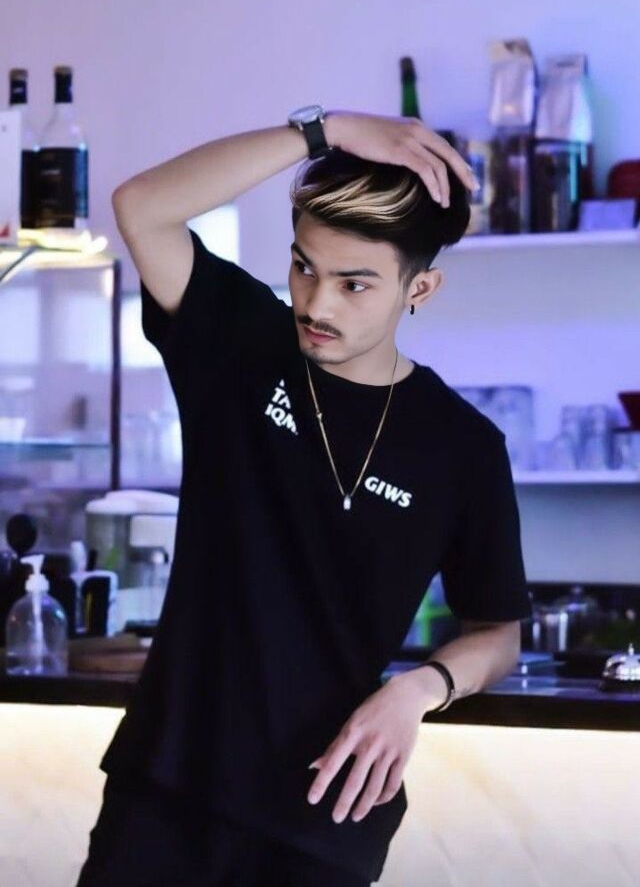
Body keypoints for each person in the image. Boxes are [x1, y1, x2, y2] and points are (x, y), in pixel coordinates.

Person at [75, 106, 532, 887]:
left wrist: (420, 689)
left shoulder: (462, 447)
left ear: (419, 288)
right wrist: (326, 130)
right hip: (166, 790)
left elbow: (498, 631)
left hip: (323, 814)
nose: (317, 305)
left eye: (355, 284)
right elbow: (141, 206)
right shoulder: (242, 344)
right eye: (304, 268)